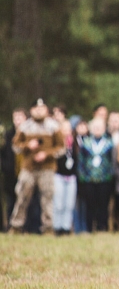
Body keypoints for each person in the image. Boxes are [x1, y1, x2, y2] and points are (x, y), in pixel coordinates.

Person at [9, 99, 64, 234]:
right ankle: (16, 226)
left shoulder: (54, 127)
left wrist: (46, 154)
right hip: (28, 168)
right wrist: (28, 145)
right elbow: (15, 146)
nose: (39, 111)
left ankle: (48, 228)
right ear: (31, 110)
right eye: (36, 108)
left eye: (42, 108)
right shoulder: (24, 127)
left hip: (47, 168)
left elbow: (61, 148)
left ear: (46, 110)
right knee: (22, 197)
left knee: (47, 198)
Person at [77, 118, 115, 232]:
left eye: (99, 127)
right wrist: (82, 176)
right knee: (89, 205)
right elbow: (81, 161)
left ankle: (102, 227)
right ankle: (89, 228)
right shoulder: (86, 143)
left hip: (104, 179)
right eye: (95, 127)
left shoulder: (109, 143)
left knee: (103, 205)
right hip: (89, 179)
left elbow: (112, 161)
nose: (97, 129)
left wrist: (110, 175)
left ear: (104, 129)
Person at [2, 108, 26, 230]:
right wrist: (6, 167)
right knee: (11, 201)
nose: (17, 120)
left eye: (20, 117)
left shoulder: (29, 134)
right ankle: (11, 226)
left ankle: (27, 227)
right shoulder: (7, 135)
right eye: (15, 117)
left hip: (26, 173)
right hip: (11, 174)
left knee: (26, 201)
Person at [52, 120, 77, 235]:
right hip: (59, 176)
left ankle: (66, 227)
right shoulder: (56, 144)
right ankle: (57, 227)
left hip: (71, 177)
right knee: (58, 204)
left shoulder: (75, 143)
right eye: (64, 129)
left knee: (69, 204)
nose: (67, 131)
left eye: (69, 129)